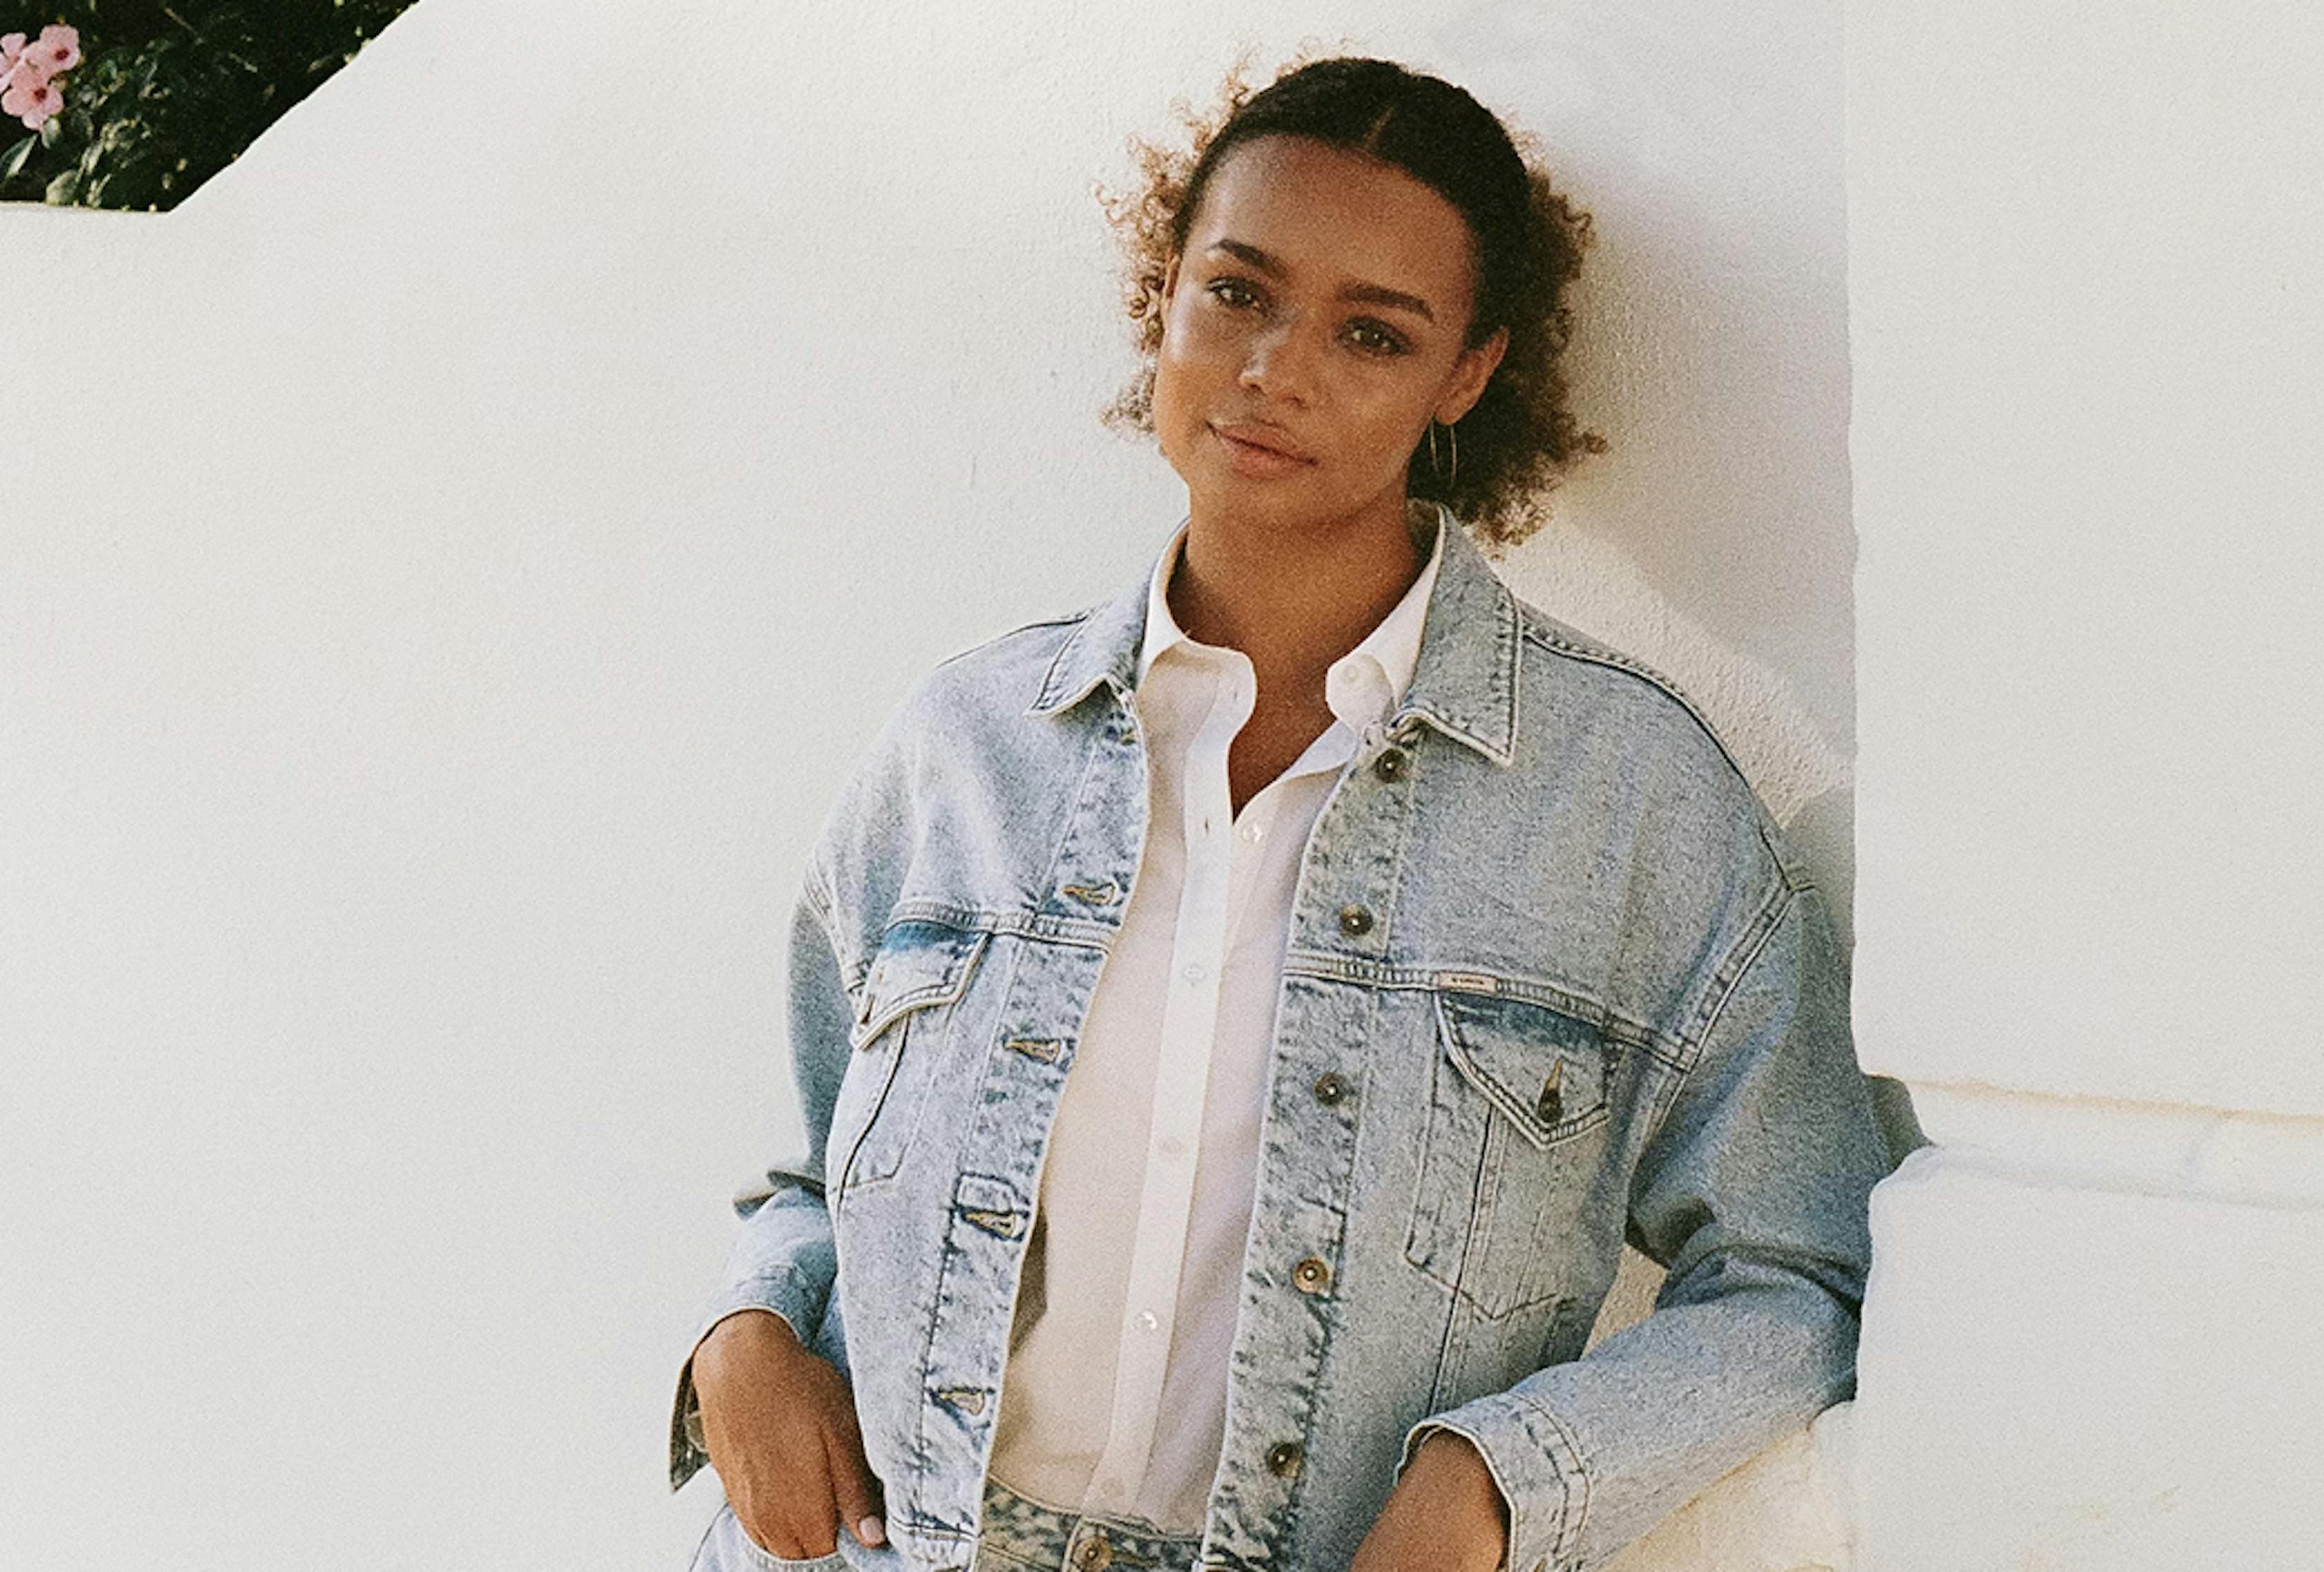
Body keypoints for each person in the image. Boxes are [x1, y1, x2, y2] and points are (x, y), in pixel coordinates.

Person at [671, 55, 1889, 1572]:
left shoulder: (1625, 800)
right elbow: (810, 1171)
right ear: (1166, 294)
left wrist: (1501, 1483)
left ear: (1466, 374)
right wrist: (744, 1332)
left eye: (1372, 332)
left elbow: (1801, 1270)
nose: (1274, 369)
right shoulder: (966, 746)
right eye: (1237, 293)